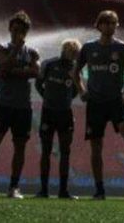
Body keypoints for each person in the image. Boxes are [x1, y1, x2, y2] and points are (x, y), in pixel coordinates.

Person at [73, 9, 124, 199]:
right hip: (95, 102)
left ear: (116, 26)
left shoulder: (123, 48)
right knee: (96, 145)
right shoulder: (88, 48)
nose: (109, 26)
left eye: (113, 23)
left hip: (116, 100)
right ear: (98, 25)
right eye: (105, 23)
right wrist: (82, 91)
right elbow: (75, 72)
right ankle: (99, 189)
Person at [0, 11, 40, 198]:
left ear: (26, 32)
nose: (18, 34)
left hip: (23, 107)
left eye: (22, 31)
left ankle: (14, 187)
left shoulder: (32, 52)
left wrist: (13, 70)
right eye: (15, 30)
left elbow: (35, 72)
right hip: (4, 105)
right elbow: (2, 70)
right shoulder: (2, 48)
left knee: (20, 146)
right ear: (9, 29)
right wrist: (16, 56)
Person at [35, 39, 80, 199]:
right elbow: (38, 84)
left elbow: (76, 90)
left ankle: (63, 191)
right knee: (45, 152)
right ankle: (43, 190)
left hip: (65, 113)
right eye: (71, 52)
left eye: (75, 53)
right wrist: (47, 98)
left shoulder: (76, 69)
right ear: (63, 50)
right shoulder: (48, 64)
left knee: (65, 153)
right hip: (48, 112)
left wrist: (65, 100)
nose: (73, 56)